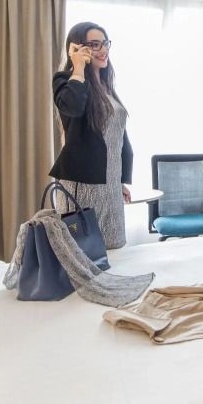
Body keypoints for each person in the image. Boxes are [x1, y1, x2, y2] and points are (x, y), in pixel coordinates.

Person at [49, 22, 133, 249]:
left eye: (105, 43)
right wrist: (78, 67)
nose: (103, 50)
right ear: (76, 48)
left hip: (109, 184)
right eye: (95, 45)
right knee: (83, 253)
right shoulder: (67, 80)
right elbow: (72, 107)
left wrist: (119, 180)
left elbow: (117, 136)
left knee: (114, 247)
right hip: (83, 185)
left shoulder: (106, 86)